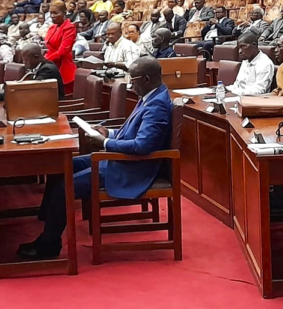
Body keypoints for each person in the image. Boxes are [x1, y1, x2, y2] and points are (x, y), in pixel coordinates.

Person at [18, 57, 172, 260]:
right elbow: (132, 133)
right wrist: (107, 132)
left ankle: (49, 244)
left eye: (132, 79)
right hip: (118, 158)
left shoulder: (156, 105)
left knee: (65, 188)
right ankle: (49, 222)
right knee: (61, 165)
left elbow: (142, 146)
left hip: (131, 168)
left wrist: (104, 142)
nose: (129, 83)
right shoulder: (150, 96)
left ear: (145, 78)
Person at [44, 0, 77, 95]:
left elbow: (62, 51)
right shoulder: (51, 27)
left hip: (63, 66)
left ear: (64, 12)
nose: (52, 16)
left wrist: (44, 61)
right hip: (50, 66)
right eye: (51, 13)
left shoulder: (69, 27)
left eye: (56, 13)